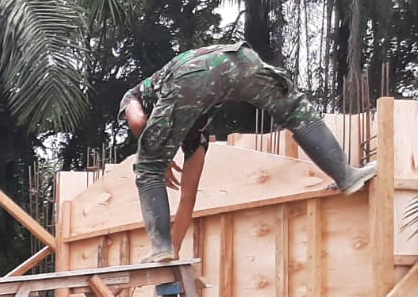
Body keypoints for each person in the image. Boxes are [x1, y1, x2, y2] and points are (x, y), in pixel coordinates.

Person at [121, 41, 376, 262]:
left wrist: (158, 159)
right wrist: (174, 254)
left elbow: (137, 122)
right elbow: (188, 197)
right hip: (241, 58)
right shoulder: (197, 133)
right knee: (294, 110)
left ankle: (159, 246)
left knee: (148, 168)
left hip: (190, 76)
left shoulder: (136, 93)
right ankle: (345, 175)